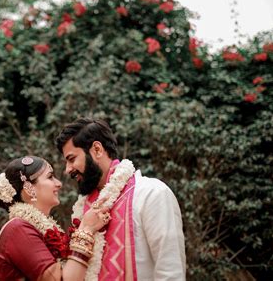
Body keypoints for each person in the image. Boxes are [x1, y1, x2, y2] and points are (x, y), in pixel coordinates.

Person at [55, 118, 186, 280]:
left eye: (71, 159)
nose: (68, 170)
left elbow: (170, 271)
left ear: (97, 149)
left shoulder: (151, 193)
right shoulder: (84, 210)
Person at [0, 155, 111, 281]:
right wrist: (86, 229)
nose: (59, 184)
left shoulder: (41, 228)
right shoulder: (17, 229)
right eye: (50, 177)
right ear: (29, 188)